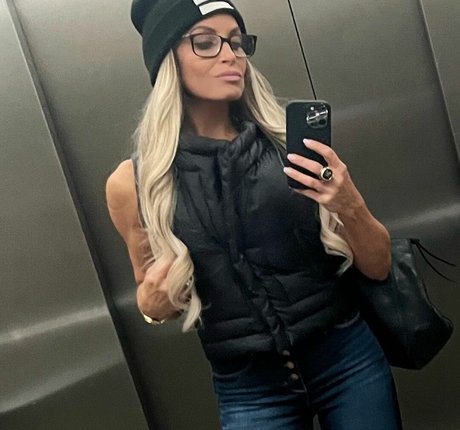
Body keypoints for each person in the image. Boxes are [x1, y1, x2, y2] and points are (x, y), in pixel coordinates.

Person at [105, 1, 403, 428]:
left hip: (346, 360)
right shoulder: (134, 184)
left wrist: (349, 204)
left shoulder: (290, 147)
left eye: (237, 42)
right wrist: (153, 306)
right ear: (167, 60)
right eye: (206, 43)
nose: (231, 55)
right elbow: (150, 295)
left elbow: (378, 266)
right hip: (249, 388)